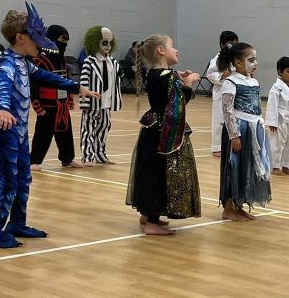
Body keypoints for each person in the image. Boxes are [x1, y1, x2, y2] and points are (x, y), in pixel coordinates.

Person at [0, 3, 97, 248]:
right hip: (4, 133)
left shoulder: (24, 62)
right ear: (21, 38)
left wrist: (76, 87)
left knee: (23, 178)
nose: (41, 43)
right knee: (5, 180)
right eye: (36, 38)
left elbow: (47, 77)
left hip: (20, 133)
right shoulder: (7, 64)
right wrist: (3, 107)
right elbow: (2, 85)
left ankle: (17, 223)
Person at [126, 35, 201, 236]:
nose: (176, 50)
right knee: (159, 174)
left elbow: (165, 91)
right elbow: (177, 103)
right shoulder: (166, 76)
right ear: (161, 50)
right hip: (163, 132)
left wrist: (178, 77)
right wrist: (187, 84)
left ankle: (148, 214)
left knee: (152, 171)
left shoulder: (156, 73)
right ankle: (151, 222)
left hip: (153, 129)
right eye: (172, 46)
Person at [218, 41, 272, 220]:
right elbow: (227, 110)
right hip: (238, 130)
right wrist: (234, 135)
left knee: (247, 167)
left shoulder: (253, 81)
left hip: (252, 129)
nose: (255, 63)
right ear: (238, 63)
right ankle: (228, 207)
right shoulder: (230, 81)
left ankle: (239, 204)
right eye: (251, 59)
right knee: (233, 167)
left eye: (256, 59)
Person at [30, 24, 82, 170]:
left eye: (67, 41)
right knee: (43, 133)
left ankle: (67, 158)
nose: (64, 44)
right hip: (47, 105)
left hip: (62, 104)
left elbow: (66, 80)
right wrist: (36, 105)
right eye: (62, 40)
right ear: (52, 40)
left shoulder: (62, 60)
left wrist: (70, 99)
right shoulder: (40, 61)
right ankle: (34, 161)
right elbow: (34, 85)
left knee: (65, 132)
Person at [79, 26, 124, 165]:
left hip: (106, 103)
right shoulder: (89, 61)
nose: (108, 46)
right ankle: (87, 156)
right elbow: (84, 82)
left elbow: (118, 78)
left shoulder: (113, 63)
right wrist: (84, 103)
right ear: (95, 42)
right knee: (88, 129)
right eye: (104, 43)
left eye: (110, 43)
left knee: (104, 128)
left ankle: (100, 154)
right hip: (93, 102)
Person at [206, 30, 239, 157]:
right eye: (230, 43)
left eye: (236, 43)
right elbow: (210, 74)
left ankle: (231, 143)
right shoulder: (217, 59)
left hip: (234, 93)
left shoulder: (237, 58)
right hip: (221, 92)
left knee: (232, 119)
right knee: (219, 120)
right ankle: (217, 147)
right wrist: (221, 75)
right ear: (222, 45)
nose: (233, 46)